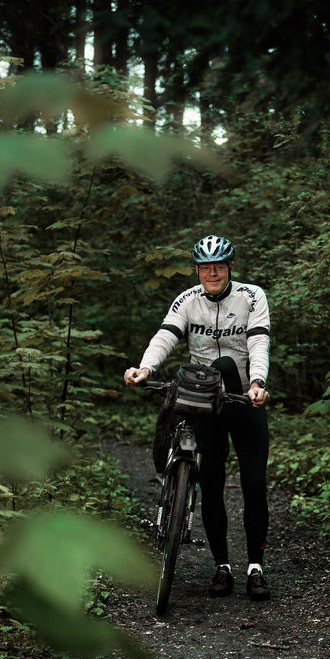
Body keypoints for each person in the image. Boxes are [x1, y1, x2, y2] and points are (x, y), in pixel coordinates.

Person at [123, 235, 272, 601]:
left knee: (254, 483)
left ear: (230, 267)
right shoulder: (188, 300)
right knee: (212, 484)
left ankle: (255, 567)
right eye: (205, 268)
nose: (212, 273)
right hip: (205, 401)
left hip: (243, 396)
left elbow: (258, 341)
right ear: (197, 270)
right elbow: (166, 336)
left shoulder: (252, 296)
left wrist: (257, 382)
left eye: (218, 267)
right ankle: (222, 566)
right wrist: (144, 368)